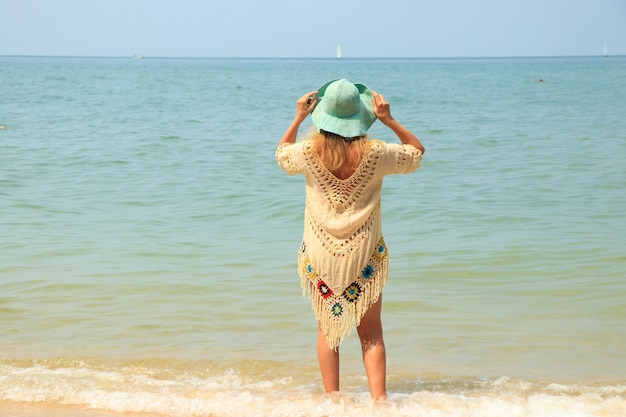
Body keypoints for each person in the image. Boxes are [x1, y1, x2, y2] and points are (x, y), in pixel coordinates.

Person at [276, 79, 424, 400]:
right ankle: (380, 402)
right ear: (361, 116)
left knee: (328, 332)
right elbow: (416, 153)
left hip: (321, 253)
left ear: (323, 115)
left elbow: (282, 155)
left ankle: (333, 401)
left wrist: (299, 116)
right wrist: (389, 120)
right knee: (371, 334)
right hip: (364, 256)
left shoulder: (308, 152)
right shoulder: (377, 154)